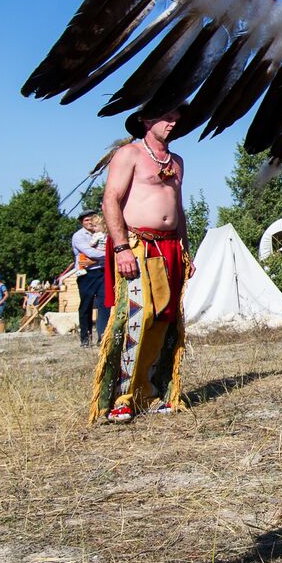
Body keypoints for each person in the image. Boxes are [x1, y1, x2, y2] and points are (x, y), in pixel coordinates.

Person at [89, 107, 194, 424]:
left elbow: (178, 208)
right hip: (135, 244)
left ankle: (153, 394)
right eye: (167, 117)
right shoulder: (129, 154)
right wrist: (121, 247)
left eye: (176, 118)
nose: (172, 122)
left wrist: (186, 251)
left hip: (169, 246)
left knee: (164, 318)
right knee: (138, 315)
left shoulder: (177, 162)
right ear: (146, 121)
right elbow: (111, 200)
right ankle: (121, 397)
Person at [71, 210, 108, 346]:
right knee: (86, 305)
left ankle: (103, 336)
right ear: (82, 222)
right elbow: (88, 252)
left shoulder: (103, 233)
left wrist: (94, 260)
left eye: (91, 219)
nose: (90, 222)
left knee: (104, 304)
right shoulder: (78, 236)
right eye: (86, 220)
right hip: (86, 274)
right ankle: (85, 338)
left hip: (102, 272)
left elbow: (107, 251)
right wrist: (104, 255)